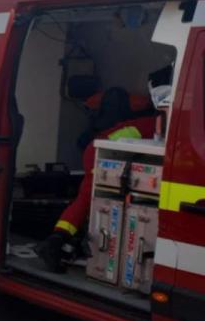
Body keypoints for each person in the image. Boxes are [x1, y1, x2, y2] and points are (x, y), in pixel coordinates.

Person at [40, 75, 167, 271]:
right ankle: (55, 242)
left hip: (106, 149)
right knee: (87, 197)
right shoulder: (163, 123)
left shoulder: (157, 119)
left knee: (92, 198)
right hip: (99, 152)